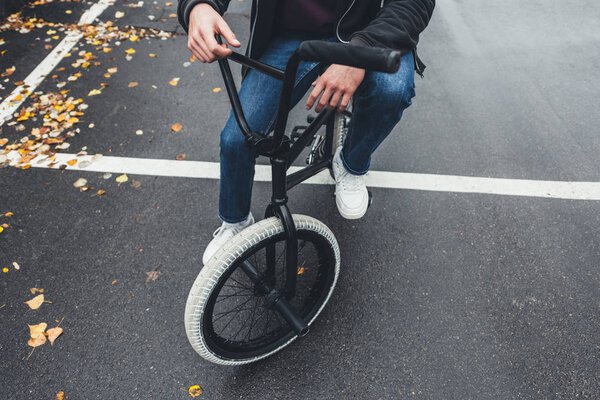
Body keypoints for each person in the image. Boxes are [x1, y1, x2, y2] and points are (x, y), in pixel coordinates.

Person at [176, 0, 435, 264]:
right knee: (236, 139)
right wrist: (199, 6)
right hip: (291, 37)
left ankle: (351, 163)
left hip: (369, 34)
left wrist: (362, 50)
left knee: (391, 91)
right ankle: (235, 223)